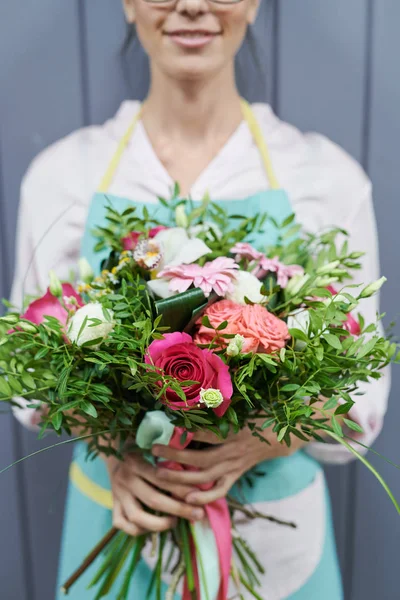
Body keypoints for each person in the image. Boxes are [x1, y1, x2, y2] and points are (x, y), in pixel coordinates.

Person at [10, 0, 390, 597]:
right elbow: (29, 380)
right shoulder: (64, 175)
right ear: (128, 4)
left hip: (275, 544)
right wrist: (114, 450)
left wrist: (259, 438)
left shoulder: (324, 178)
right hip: (115, 520)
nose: (191, 5)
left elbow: (361, 400)